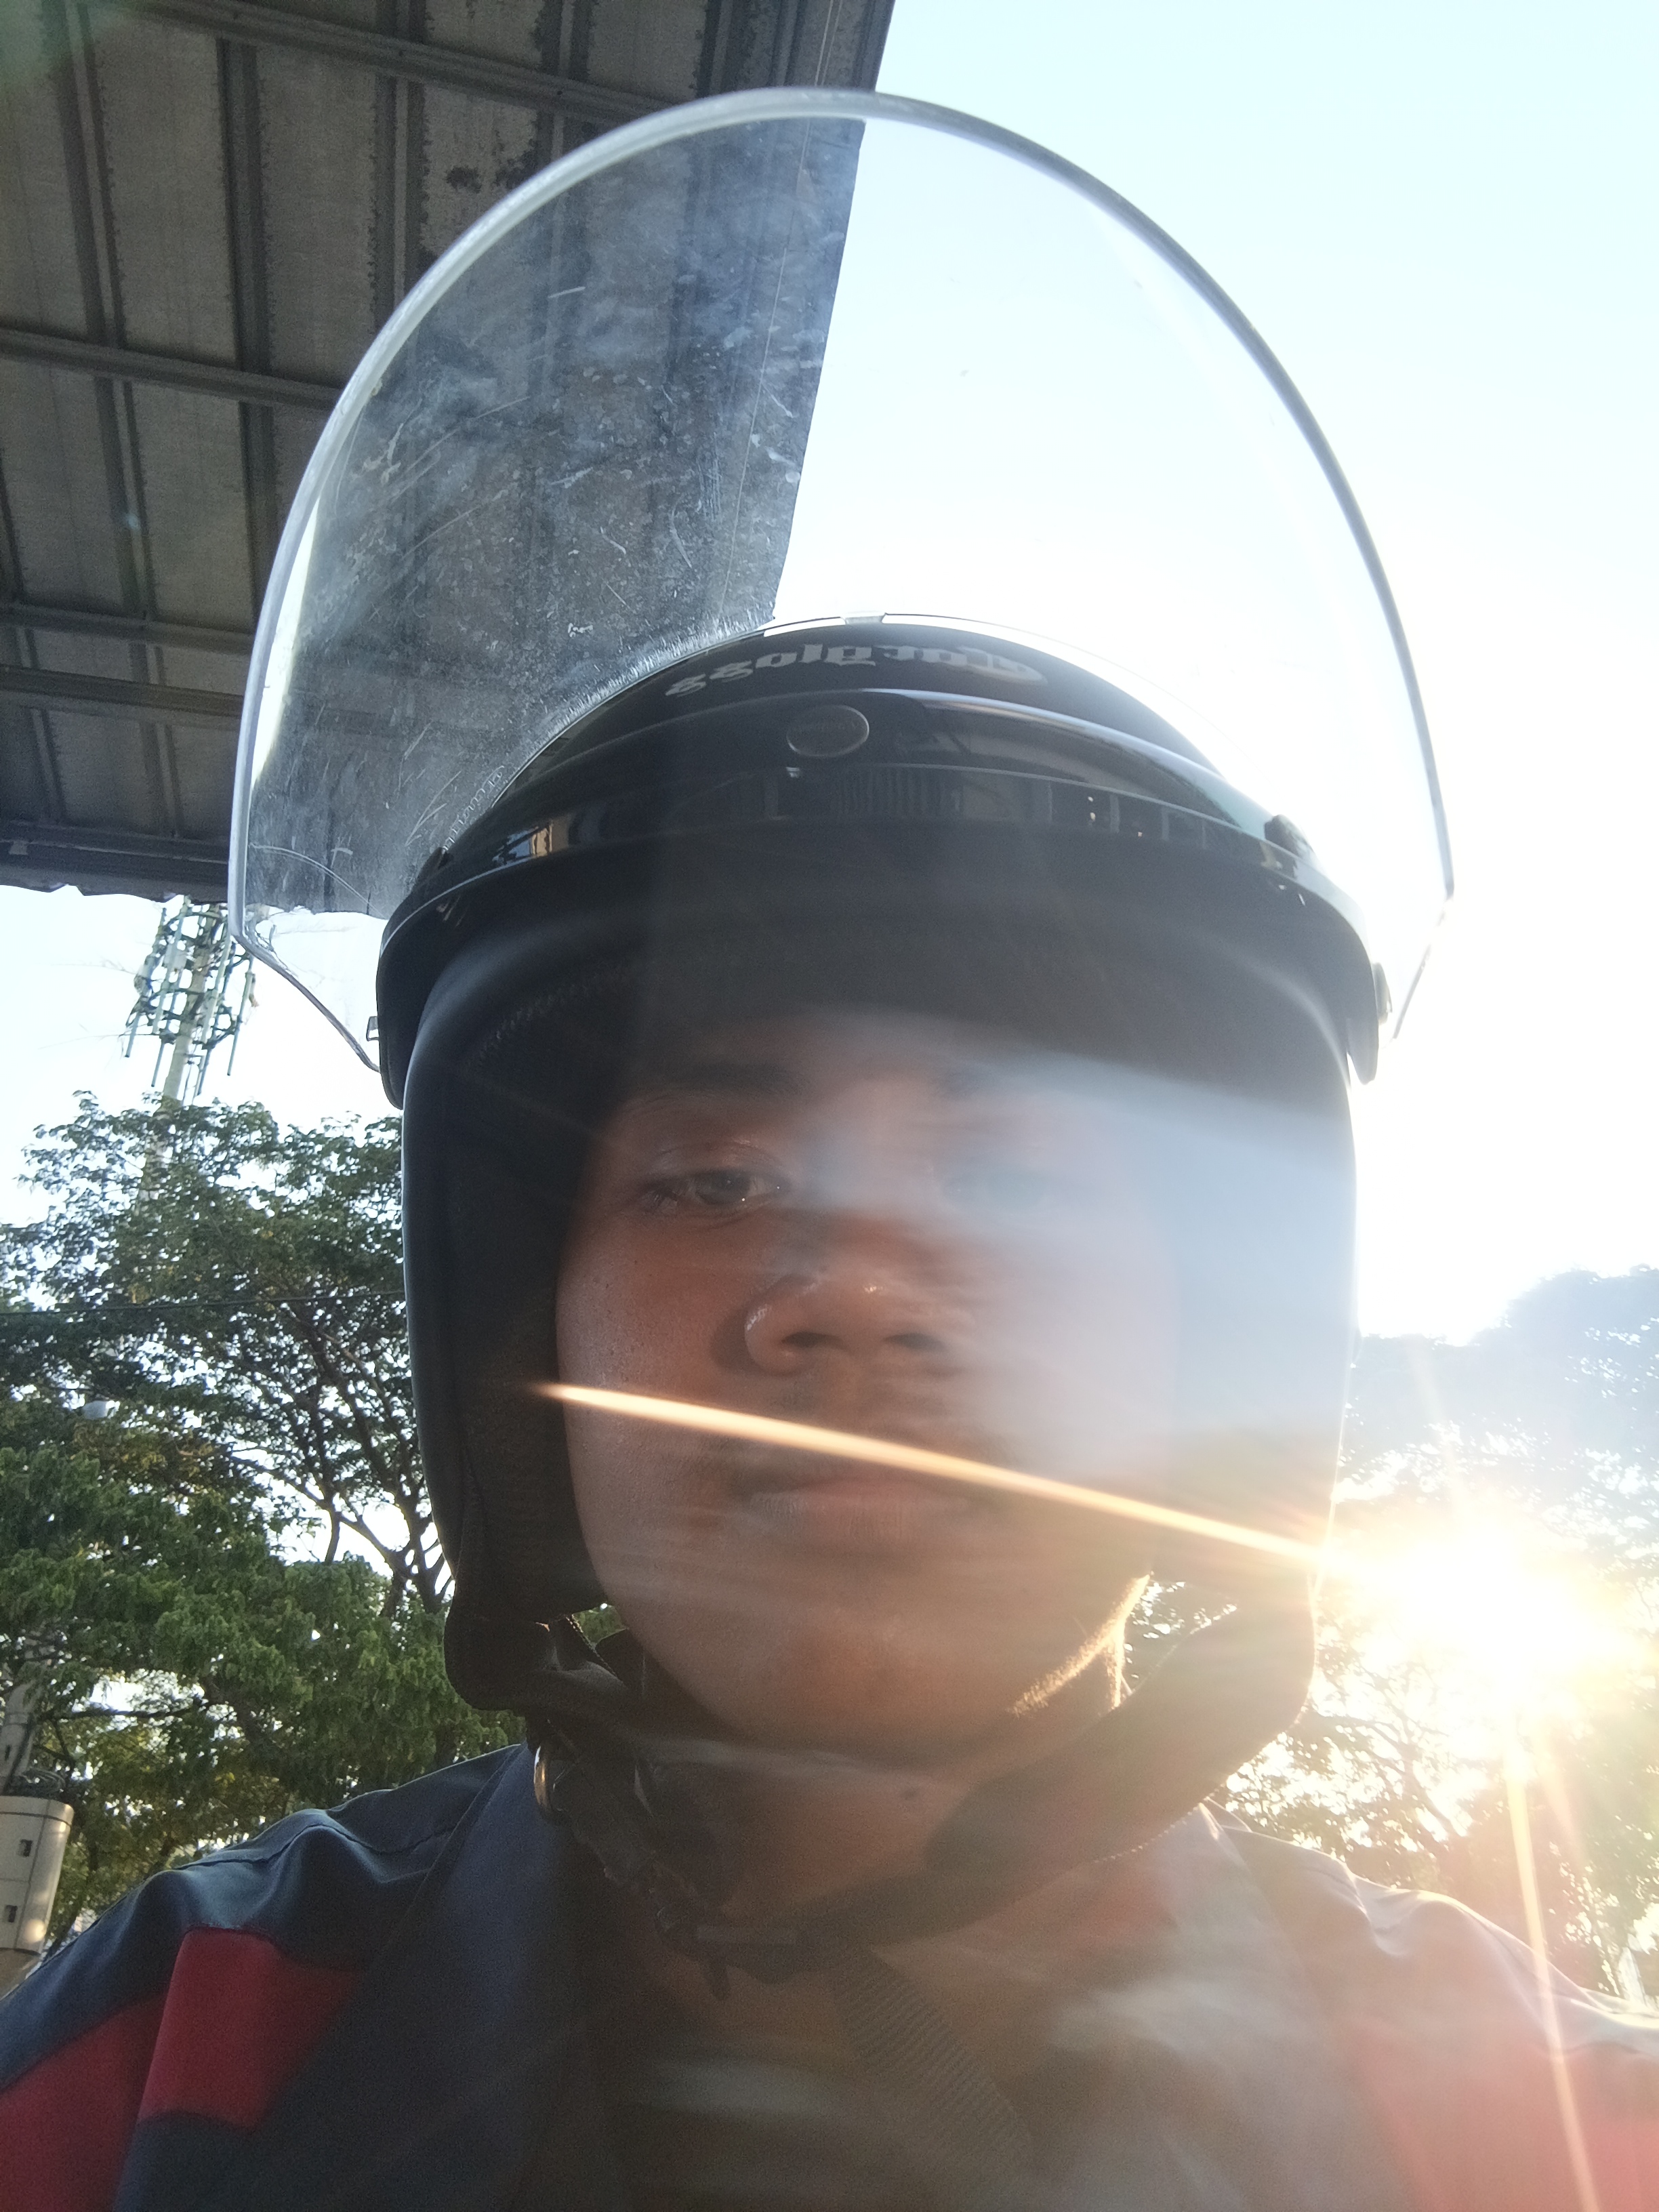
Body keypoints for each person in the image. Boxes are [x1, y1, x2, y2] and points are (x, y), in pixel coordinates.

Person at [4, 90, 1656, 2212]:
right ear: (523, 1351)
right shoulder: (170, 2049)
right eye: (709, 1179)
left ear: (1213, 1358)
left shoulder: (1544, 2135)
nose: (854, 1288)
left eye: (1015, 1181)